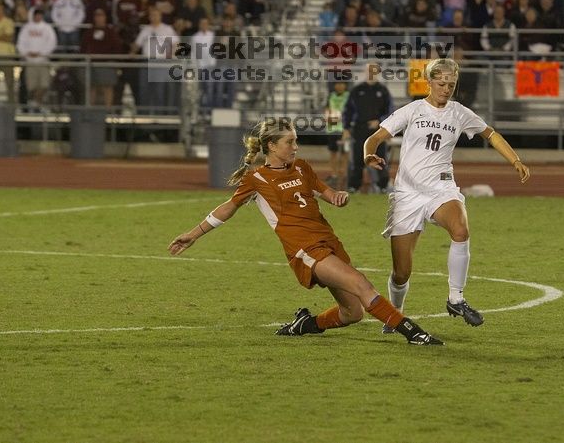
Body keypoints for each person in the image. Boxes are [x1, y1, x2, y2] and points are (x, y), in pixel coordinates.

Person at [168, 120, 443, 346]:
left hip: (328, 240)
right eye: (289, 142)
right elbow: (228, 207)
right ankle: (413, 333)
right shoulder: (257, 179)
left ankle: (305, 325)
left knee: (352, 313)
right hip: (305, 250)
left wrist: (338, 197)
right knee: (361, 284)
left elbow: (327, 192)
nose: (295, 147)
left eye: (296, 141)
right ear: (272, 146)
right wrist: (193, 234)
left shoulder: (301, 167)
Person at [362, 57, 531, 332]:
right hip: (407, 195)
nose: (446, 89)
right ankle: (395, 314)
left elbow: (491, 134)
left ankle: (456, 298)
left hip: (441, 189)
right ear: (429, 82)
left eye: (451, 84)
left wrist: (515, 160)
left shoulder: (459, 113)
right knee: (401, 272)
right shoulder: (413, 110)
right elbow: (375, 138)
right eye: (441, 83)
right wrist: (368, 154)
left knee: (461, 229)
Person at [343, 63, 393, 193]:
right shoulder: (357, 90)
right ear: (365, 72)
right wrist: (346, 128)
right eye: (368, 71)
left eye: (373, 71)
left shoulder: (383, 91)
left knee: (380, 157)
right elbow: (348, 110)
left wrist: (380, 121)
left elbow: (390, 111)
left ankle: (382, 186)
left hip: (377, 131)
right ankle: (354, 186)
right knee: (357, 159)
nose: (371, 73)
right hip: (359, 129)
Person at [325, 81, 350, 189]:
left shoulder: (349, 96)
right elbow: (327, 110)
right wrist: (327, 117)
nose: (339, 86)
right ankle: (334, 175)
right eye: (337, 84)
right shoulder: (331, 96)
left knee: (345, 153)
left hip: (344, 129)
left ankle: (344, 175)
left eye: (342, 84)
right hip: (332, 129)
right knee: (333, 152)